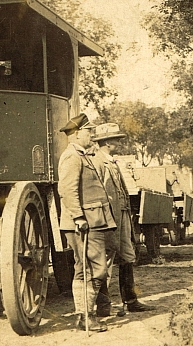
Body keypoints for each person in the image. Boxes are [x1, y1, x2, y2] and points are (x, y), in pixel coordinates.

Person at [57, 113, 117, 332]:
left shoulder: (83, 155)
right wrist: (79, 217)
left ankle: (88, 313)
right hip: (84, 222)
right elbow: (67, 190)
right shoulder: (72, 156)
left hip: (94, 219)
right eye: (88, 131)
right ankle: (86, 316)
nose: (92, 134)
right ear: (77, 133)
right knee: (90, 268)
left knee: (92, 267)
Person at [89, 123, 155, 316]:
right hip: (108, 219)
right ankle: (103, 306)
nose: (118, 142)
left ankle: (131, 301)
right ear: (108, 142)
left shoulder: (112, 161)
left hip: (122, 215)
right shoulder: (97, 163)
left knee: (127, 256)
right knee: (104, 262)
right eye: (116, 139)